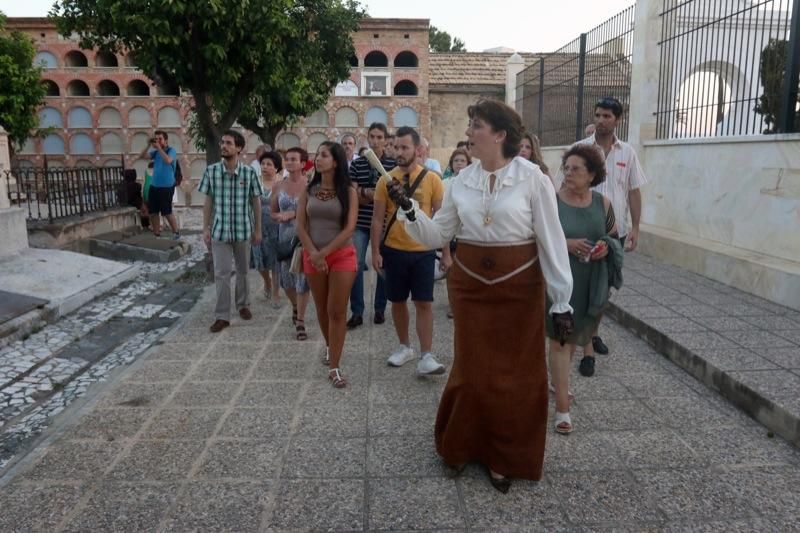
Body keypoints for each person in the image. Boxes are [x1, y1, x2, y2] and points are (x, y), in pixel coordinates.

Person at [388, 100, 573, 492]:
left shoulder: (533, 179)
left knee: (513, 375)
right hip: (470, 287)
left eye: (477, 125)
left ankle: (504, 457)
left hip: (519, 288)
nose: (469, 132)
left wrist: (561, 300)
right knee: (472, 370)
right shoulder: (460, 182)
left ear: (500, 135)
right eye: (471, 125)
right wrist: (409, 210)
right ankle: (462, 445)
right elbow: (438, 235)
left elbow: (551, 241)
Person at [555, 96, 648, 365]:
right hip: (578, 229)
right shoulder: (580, 149)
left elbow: (633, 191)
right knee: (572, 287)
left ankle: (589, 341)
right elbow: (562, 188)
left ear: (617, 120)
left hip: (610, 231)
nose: (601, 120)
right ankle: (574, 343)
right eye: (597, 115)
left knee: (601, 290)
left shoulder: (627, 153)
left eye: (607, 116)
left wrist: (636, 228)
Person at [547, 144, 621, 434]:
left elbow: (614, 237)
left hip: (590, 282)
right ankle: (562, 408)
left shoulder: (602, 203)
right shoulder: (552, 202)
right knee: (560, 340)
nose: (568, 173)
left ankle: (558, 383)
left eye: (576, 169)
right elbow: (537, 237)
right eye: (566, 168)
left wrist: (605, 248)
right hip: (559, 283)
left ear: (592, 175)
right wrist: (567, 245)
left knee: (575, 337)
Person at [371, 126, 448, 376]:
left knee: (424, 302)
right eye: (397, 147)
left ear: (418, 149)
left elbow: (443, 219)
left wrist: (446, 253)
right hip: (394, 250)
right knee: (397, 301)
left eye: (405, 147)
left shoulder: (432, 179)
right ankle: (405, 347)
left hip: (423, 250)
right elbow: (377, 219)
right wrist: (375, 252)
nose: (400, 152)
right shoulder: (386, 179)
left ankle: (427, 354)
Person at [296, 142, 359, 387]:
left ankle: (334, 366)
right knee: (321, 309)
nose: (318, 158)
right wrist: (314, 253)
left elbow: (350, 227)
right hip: (312, 256)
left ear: (336, 161)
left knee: (337, 310)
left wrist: (325, 253)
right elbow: (300, 225)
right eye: (317, 154)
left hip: (341, 255)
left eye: (324, 155)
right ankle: (331, 346)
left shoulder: (349, 191)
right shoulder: (308, 190)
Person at [199, 130, 263, 333]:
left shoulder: (249, 173)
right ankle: (222, 316)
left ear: (239, 148)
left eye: (228, 143)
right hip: (220, 232)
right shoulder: (211, 172)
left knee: (244, 272)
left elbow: (256, 202)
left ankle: (243, 305)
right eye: (222, 142)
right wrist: (205, 228)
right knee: (221, 274)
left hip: (243, 230)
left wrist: (258, 229)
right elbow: (208, 201)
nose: (223, 146)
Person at [347, 122, 395, 329]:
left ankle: (379, 309)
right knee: (355, 267)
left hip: (384, 223)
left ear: (385, 139)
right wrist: (372, 193)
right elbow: (354, 196)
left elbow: (391, 198)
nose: (375, 141)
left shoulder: (393, 164)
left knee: (382, 265)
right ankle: (357, 311)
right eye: (371, 137)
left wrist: (366, 193)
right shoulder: (358, 164)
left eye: (379, 137)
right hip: (360, 222)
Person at [272, 147, 312, 340]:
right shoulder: (278, 186)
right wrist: (278, 216)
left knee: (302, 281)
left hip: (303, 237)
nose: (288, 162)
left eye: (293, 159)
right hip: (284, 237)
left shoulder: (311, 185)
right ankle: (295, 306)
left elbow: (314, 210)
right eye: (287, 159)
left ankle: (301, 322)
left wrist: (294, 213)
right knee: (285, 281)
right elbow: (272, 211)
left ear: (303, 164)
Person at [251, 151, 283, 305]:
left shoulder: (281, 184)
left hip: (276, 228)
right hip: (257, 226)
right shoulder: (254, 182)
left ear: (276, 168)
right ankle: (266, 281)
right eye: (263, 164)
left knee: (276, 263)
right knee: (259, 261)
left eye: (269, 164)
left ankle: (276, 292)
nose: (265, 167)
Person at [139, 130, 180, 239]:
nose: (157, 141)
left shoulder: (172, 150)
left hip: (166, 187)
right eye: (156, 139)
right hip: (154, 186)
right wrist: (148, 145)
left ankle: (176, 232)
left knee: (167, 212)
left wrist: (159, 148)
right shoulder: (156, 152)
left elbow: (168, 160)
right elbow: (142, 156)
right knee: (153, 212)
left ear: (166, 140)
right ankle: (157, 234)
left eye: (160, 139)